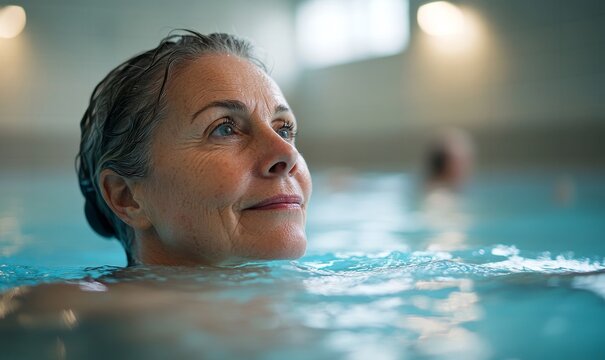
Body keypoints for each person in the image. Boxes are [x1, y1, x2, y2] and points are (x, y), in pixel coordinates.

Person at [77, 31, 312, 266]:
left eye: (283, 130)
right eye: (224, 129)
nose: (288, 154)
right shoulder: (75, 302)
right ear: (127, 198)